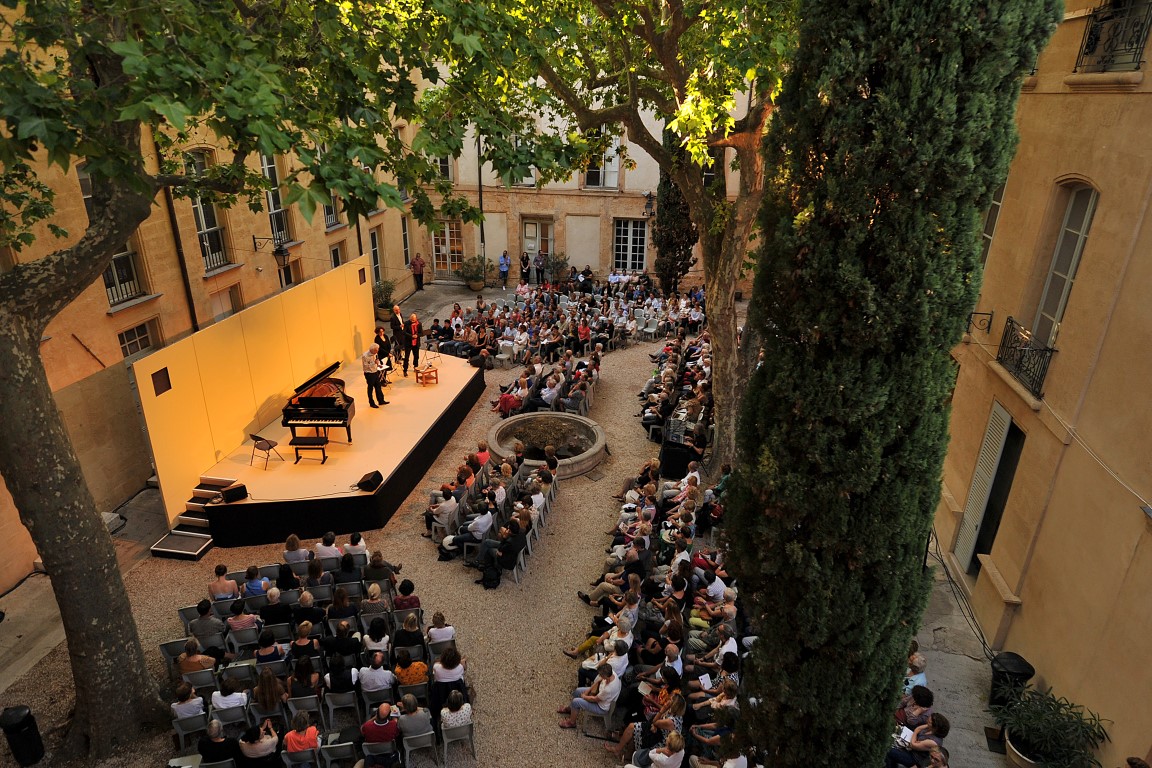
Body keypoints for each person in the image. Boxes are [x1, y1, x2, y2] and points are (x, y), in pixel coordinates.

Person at [557, 662, 621, 729]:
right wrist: (588, 691)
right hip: (598, 691)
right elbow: (598, 681)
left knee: (576, 702)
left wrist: (584, 696)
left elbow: (595, 699)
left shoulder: (608, 689)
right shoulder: (612, 673)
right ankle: (571, 709)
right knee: (578, 691)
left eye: (601, 675)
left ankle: (572, 723)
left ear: (605, 676)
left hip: (600, 706)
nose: (599, 675)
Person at [885, 713, 950, 768]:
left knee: (888, 750)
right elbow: (916, 737)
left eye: (929, 722)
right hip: (909, 747)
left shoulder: (933, 742)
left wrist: (916, 732)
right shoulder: (929, 727)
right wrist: (916, 739)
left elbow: (913, 744)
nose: (927, 721)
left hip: (913, 757)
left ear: (935, 727)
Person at [362, 343, 388, 408]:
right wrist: (374, 363)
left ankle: (381, 400)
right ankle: (371, 403)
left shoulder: (375, 353)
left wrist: (378, 365)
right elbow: (366, 366)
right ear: (372, 350)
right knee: (370, 388)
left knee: (378, 386)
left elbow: (375, 361)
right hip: (369, 374)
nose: (378, 351)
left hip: (375, 371)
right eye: (377, 350)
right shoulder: (365, 356)